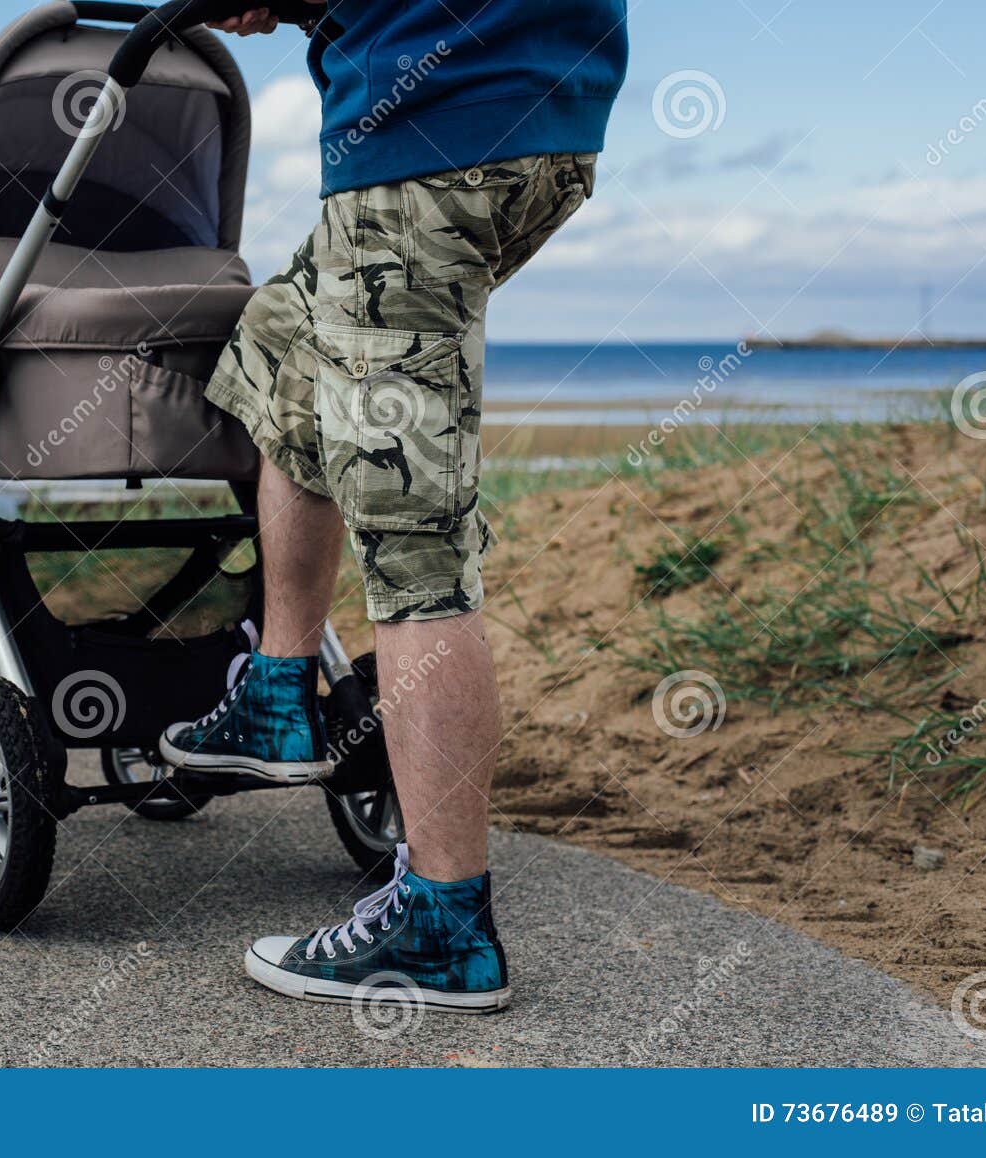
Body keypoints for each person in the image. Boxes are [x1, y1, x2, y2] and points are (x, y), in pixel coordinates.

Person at [159, 0, 629, 1012]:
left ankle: (444, 926)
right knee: (283, 345)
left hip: (434, 131)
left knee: (412, 537)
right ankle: (279, 694)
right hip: (538, 108)